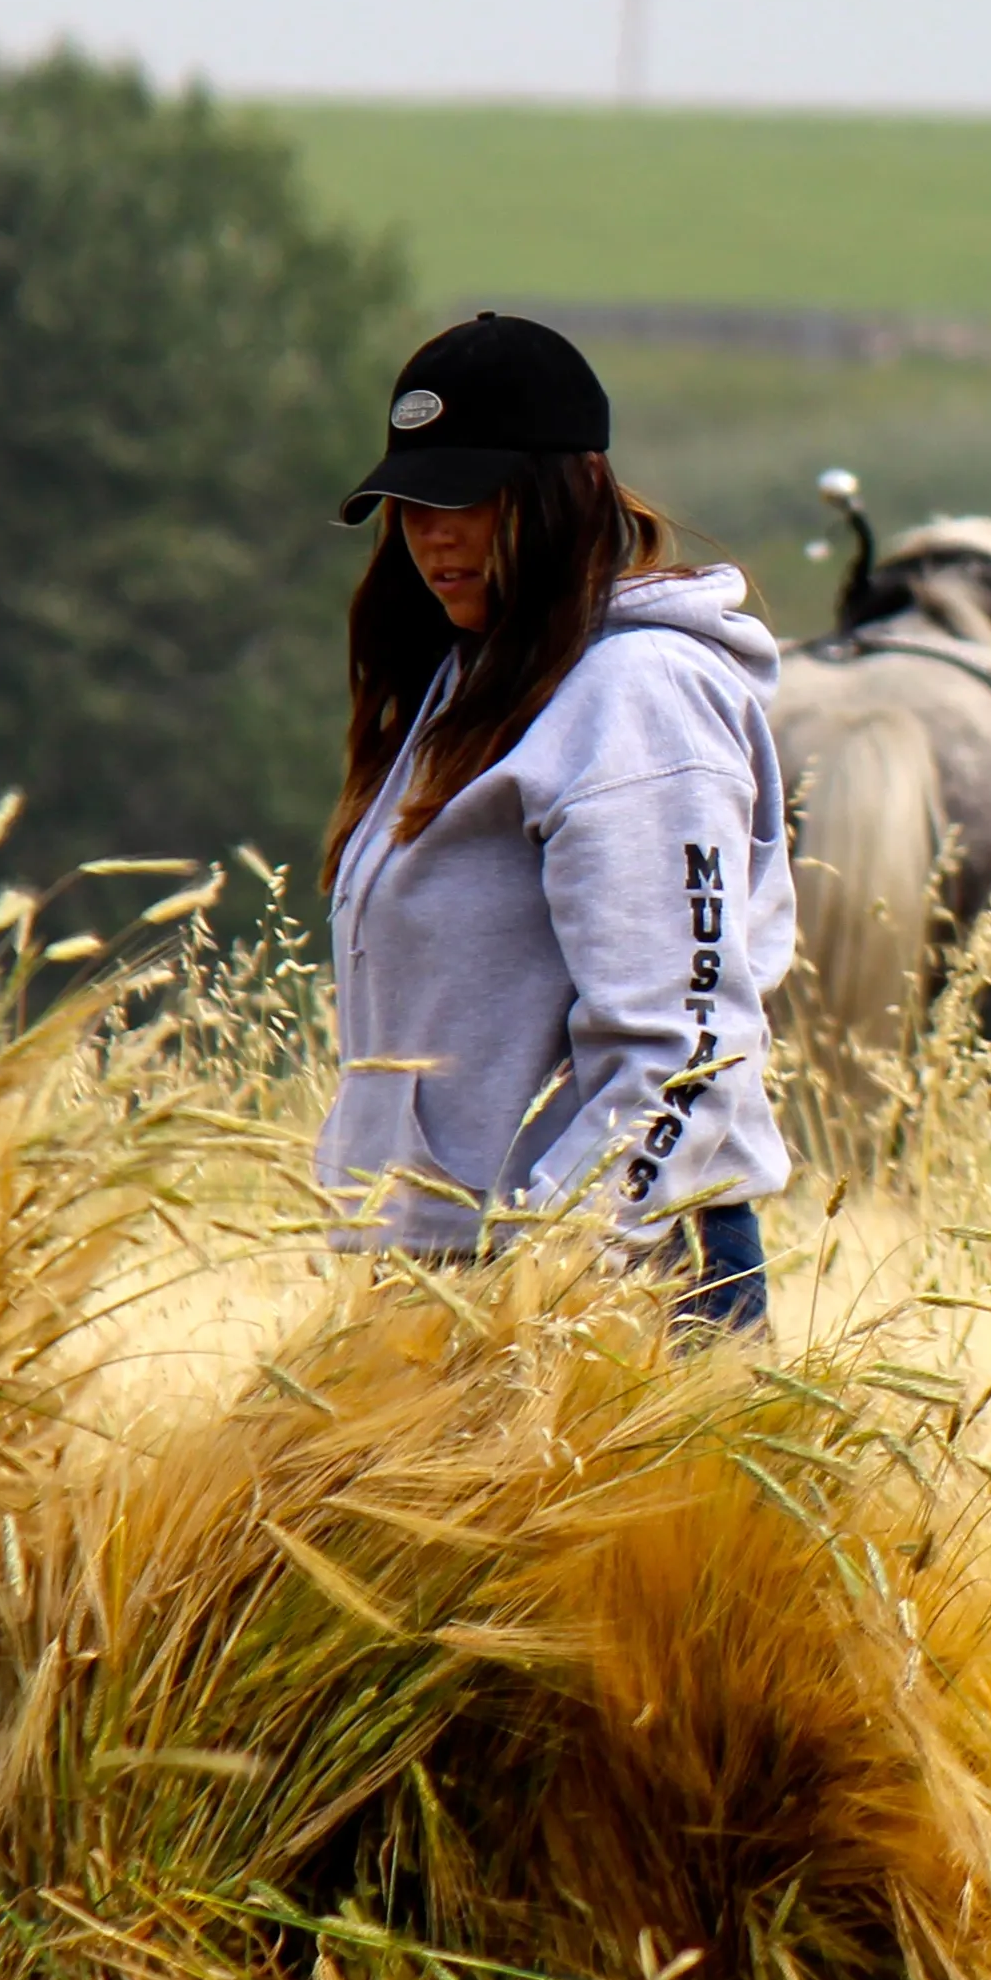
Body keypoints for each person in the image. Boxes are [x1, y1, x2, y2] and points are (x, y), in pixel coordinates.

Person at [316, 309, 796, 1334]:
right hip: (448, 1274)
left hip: (608, 1287)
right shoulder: (474, 684)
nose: (431, 533)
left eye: (470, 500)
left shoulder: (637, 698)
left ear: (566, 491)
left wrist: (550, 1279)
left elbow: (684, 1048)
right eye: (409, 505)